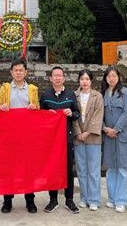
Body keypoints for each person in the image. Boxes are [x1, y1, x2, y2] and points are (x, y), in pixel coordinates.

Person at [0, 58, 40, 214]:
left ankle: (30, 200)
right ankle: (7, 201)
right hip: (9, 135)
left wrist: (34, 107)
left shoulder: (32, 89)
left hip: (27, 135)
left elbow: (38, 107)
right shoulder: (5, 88)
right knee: (8, 169)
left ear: (25, 72)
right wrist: (1, 107)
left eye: (21, 70)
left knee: (28, 169)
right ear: (11, 72)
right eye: (16, 70)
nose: (18, 73)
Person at [39, 66, 81, 214]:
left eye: (60, 75)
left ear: (64, 78)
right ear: (50, 78)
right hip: (50, 140)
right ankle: (53, 200)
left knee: (68, 170)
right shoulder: (45, 95)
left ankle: (69, 200)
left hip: (66, 138)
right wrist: (47, 114)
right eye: (55, 75)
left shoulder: (70, 94)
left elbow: (77, 113)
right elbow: (40, 117)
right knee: (52, 169)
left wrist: (71, 113)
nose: (57, 78)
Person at [101, 66, 127, 213]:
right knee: (111, 168)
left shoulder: (125, 92)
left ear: (118, 77)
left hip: (122, 134)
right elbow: (99, 114)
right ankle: (112, 198)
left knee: (122, 168)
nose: (111, 78)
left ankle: (121, 200)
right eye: (109, 76)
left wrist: (116, 129)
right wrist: (105, 129)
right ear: (105, 78)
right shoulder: (103, 93)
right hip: (108, 135)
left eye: (114, 76)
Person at [73, 70, 104, 211]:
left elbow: (98, 116)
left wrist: (88, 132)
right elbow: (73, 116)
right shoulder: (74, 96)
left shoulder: (98, 96)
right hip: (79, 138)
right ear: (79, 81)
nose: (84, 82)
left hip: (93, 138)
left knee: (94, 170)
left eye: (87, 79)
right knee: (81, 169)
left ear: (91, 81)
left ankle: (94, 199)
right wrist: (78, 132)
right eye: (82, 79)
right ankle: (83, 198)